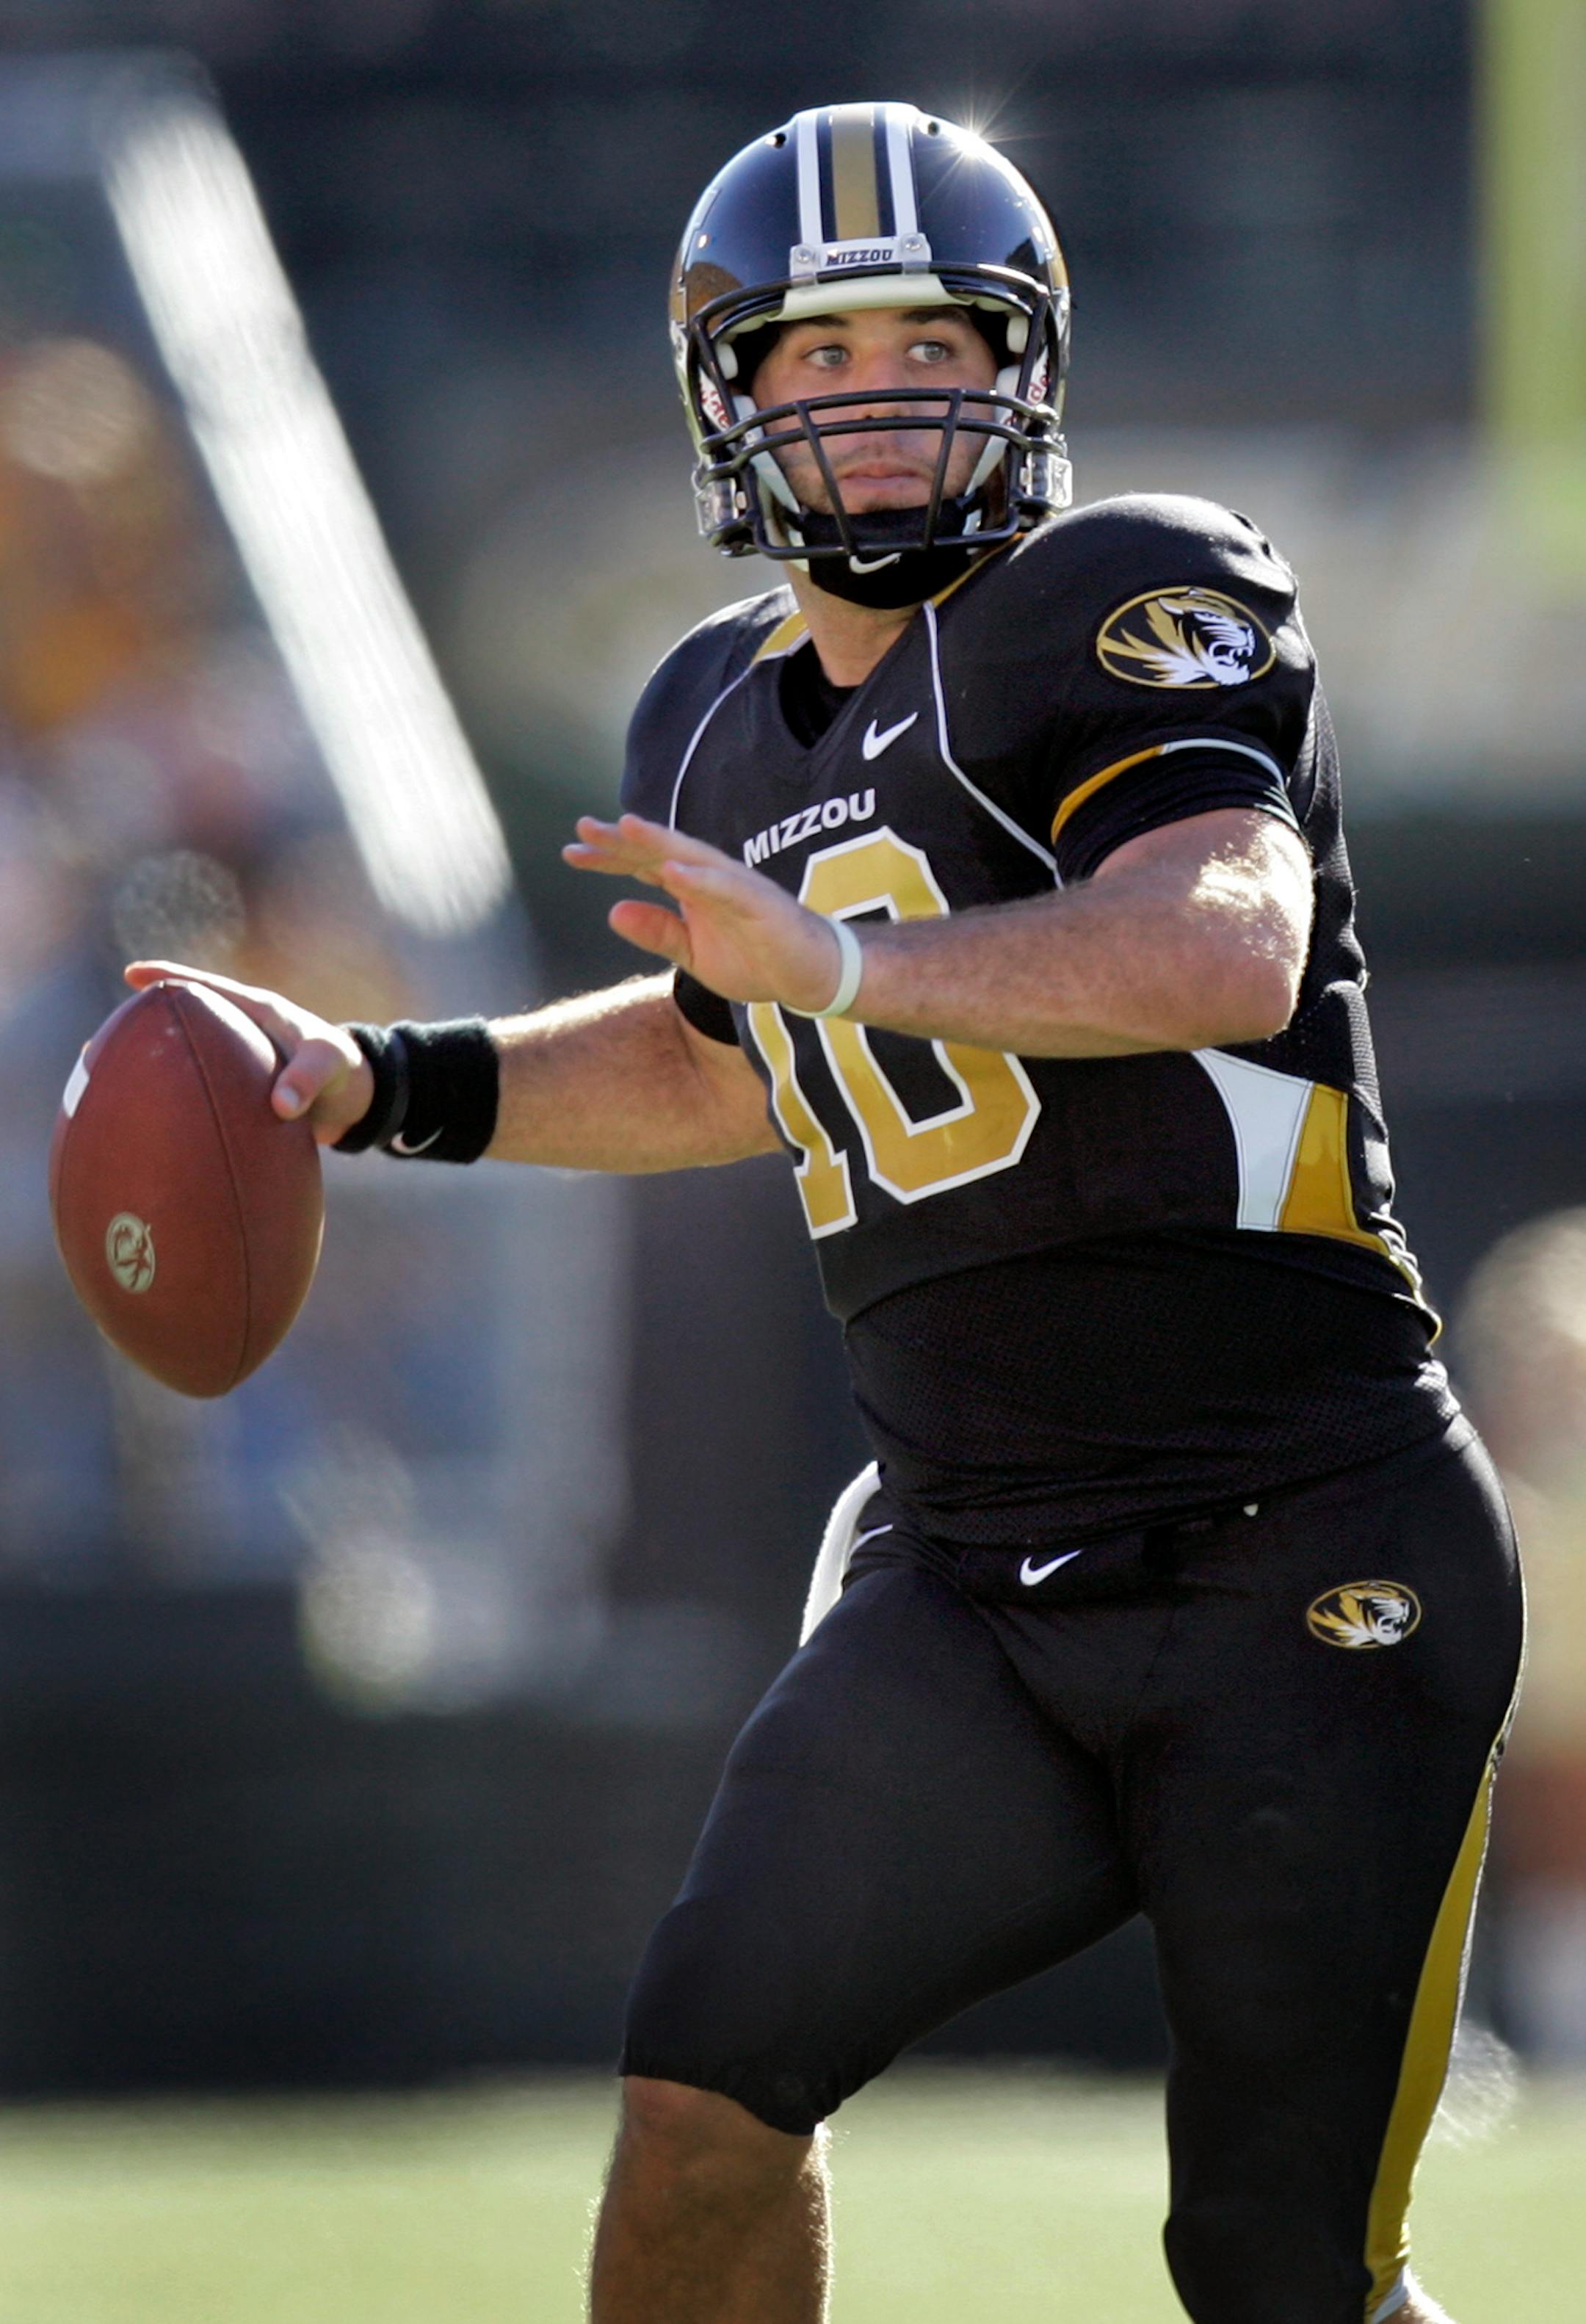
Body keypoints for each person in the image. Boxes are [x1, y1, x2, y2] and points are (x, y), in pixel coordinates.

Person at [128, 103, 1521, 2324]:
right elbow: (728, 1057)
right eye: (816, 352)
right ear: (726, 387)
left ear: (1028, 364)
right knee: (698, 2116)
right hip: (969, 1580)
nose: (879, 395)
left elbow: (1227, 936)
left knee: (1284, 2277)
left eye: (936, 338)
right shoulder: (708, 715)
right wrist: (385, 1084)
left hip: (1303, 1543)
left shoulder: (1126, 588)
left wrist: (848, 967)